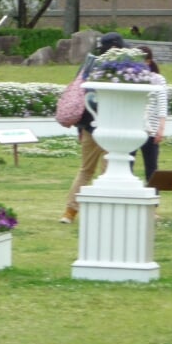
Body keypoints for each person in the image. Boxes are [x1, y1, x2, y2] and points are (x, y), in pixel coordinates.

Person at [59, 32, 125, 224]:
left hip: (89, 125)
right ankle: (104, 212)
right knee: (108, 170)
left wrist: (80, 127)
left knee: (85, 170)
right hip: (112, 125)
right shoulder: (121, 68)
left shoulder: (89, 64)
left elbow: (80, 96)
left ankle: (69, 212)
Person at [135, 46, 167, 182]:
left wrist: (161, 128)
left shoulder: (158, 79)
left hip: (151, 129)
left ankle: (153, 199)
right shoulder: (130, 78)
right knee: (128, 164)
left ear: (149, 61)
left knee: (151, 168)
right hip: (133, 128)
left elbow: (162, 104)